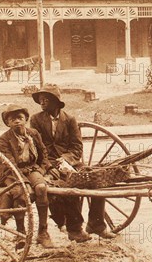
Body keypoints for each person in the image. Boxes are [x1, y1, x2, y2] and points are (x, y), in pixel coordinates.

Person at [30, 84, 117, 242]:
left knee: (96, 179)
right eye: (40, 99)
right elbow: (36, 147)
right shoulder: (36, 120)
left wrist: (66, 158)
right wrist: (51, 164)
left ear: (55, 101)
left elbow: (77, 147)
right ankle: (74, 228)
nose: (41, 101)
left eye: (45, 99)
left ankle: (96, 224)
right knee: (66, 185)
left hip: (69, 161)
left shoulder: (69, 120)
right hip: (46, 163)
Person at [0, 104, 57, 249]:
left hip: (32, 168)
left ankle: (43, 232)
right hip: (12, 172)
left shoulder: (33, 134)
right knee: (21, 194)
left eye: (19, 118)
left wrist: (44, 169)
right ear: (8, 123)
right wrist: (23, 182)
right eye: (12, 120)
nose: (17, 121)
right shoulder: (4, 139)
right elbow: (9, 162)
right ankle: (21, 233)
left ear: (25, 119)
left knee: (41, 188)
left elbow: (43, 154)